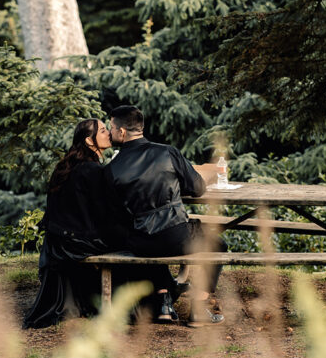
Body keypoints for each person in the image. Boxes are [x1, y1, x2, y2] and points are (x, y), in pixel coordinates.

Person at [104, 104, 224, 326]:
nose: (109, 132)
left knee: (153, 244)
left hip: (139, 242)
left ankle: (163, 304)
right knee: (217, 245)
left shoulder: (111, 169)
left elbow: (114, 213)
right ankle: (198, 308)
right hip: (175, 237)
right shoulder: (167, 152)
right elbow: (197, 188)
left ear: (121, 132)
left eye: (110, 128)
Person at [23, 117, 128, 328]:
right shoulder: (93, 170)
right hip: (77, 242)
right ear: (90, 141)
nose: (108, 132)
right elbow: (104, 213)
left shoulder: (67, 166)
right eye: (102, 131)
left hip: (59, 240)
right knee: (133, 240)